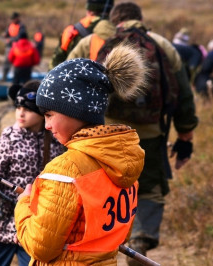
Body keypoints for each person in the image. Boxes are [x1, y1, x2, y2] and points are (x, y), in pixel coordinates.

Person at [14, 45, 146, 265]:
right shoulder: (123, 163)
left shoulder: (65, 170)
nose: (46, 125)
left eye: (49, 114)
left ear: (74, 111)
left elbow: (40, 247)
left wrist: (23, 204)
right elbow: (120, 235)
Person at [98, 3, 199, 265]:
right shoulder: (163, 45)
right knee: (150, 186)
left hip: (106, 132)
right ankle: (141, 239)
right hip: (150, 132)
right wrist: (185, 135)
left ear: (115, 21)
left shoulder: (97, 42)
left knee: (104, 184)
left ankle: (101, 238)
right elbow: (184, 95)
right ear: (140, 19)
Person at [0, 80, 65, 266]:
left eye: (28, 109)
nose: (21, 113)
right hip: (0, 224)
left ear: (43, 113)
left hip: (34, 224)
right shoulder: (8, 138)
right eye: (18, 107)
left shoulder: (58, 141)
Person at [49, 0, 114, 69]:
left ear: (88, 10)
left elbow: (55, 62)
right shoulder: (119, 31)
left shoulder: (71, 31)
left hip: (70, 75)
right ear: (111, 10)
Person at [1, 12, 27, 81]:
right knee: (7, 61)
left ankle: (16, 79)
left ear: (17, 18)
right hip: (9, 47)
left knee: (17, 63)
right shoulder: (10, 25)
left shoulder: (21, 26)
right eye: (12, 19)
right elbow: (7, 32)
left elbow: (20, 36)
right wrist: (5, 34)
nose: (13, 20)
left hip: (18, 48)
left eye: (14, 19)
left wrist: (11, 39)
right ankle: (4, 77)